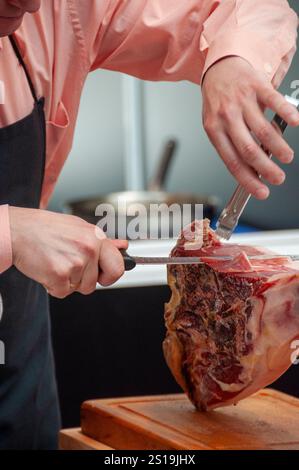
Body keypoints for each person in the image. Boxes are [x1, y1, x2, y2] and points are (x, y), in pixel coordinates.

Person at [0, 0, 297, 449]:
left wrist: (231, 60)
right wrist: (10, 232)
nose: (30, 4)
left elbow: (252, 8)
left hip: (17, 352)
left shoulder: (57, 10)